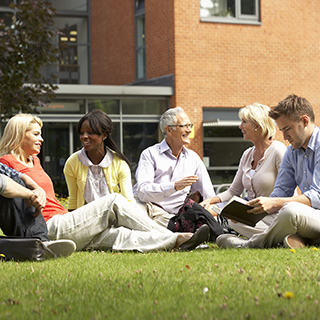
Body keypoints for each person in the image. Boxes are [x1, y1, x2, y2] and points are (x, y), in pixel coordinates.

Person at [0, 114, 209, 252]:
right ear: (19, 134)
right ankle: (182, 237)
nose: (42, 139)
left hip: (65, 221)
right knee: (112, 201)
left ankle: (179, 242)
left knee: (118, 236)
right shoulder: (6, 162)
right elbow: (6, 188)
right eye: (36, 134)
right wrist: (31, 192)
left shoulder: (33, 161)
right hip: (47, 226)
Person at [216, 94, 320, 249]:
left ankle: (248, 245)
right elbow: (281, 191)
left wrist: (274, 202)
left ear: (305, 121)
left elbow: (317, 195)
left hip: (307, 214)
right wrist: (252, 211)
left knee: (290, 211)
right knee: (236, 220)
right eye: (281, 130)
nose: (284, 137)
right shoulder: (292, 152)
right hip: (307, 216)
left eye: (287, 129)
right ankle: (296, 239)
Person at [200, 103, 287, 238]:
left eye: (244, 122)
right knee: (228, 219)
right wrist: (211, 200)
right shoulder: (247, 154)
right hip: (253, 215)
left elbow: (288, 193)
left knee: (232, 227)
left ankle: (269, 237)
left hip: (277, 213)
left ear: (258, 126)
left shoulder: (278, 150)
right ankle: (273, 238)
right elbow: (234, 191)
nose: (240, 126)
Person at [133, 107, 215, 227]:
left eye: (190, 125)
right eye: (184, 126)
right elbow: (143, 192)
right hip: (148, 208)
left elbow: (209, 196)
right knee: (139, 217)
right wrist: (174, 186)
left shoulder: (193, 158)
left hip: (175, 216)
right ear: (169, 130)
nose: (189, 130)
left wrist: (219, 210)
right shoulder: (150, 154)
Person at [0, 162, 76, 258]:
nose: (40, 145)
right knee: (15, 184)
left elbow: (13, 173)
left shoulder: (35, 162)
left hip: (60, 217)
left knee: (18, 180)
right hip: (52, 222)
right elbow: (2, 183)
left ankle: (37, 244)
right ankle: (38, 242)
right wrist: (31, 195)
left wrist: (38, 189)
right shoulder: (9, 159)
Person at [64, 110, 134, 211]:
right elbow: (73, 200)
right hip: (85, 219)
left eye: (90, 132)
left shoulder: (119, 163)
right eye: (81, 133)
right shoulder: (72, 162)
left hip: (114, 218)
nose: (84, 136)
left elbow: (128, 201)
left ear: (104, 135)